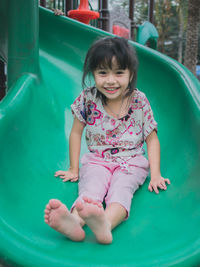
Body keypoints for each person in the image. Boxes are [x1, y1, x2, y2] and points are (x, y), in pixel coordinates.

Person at [44, 37, 170, 244]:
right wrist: (74, 168)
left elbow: (152, 139)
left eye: (119, 73)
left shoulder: (139, 101)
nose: (110, 81)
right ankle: (74, 222)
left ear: (130, 74)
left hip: (131, 163)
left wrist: (156, 174)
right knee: (90, 188)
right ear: (93, 73)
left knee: (122, 189)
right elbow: (76, 133)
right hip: (97, 160)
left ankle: (106, 224)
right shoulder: (88, 98)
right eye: (103, 73)